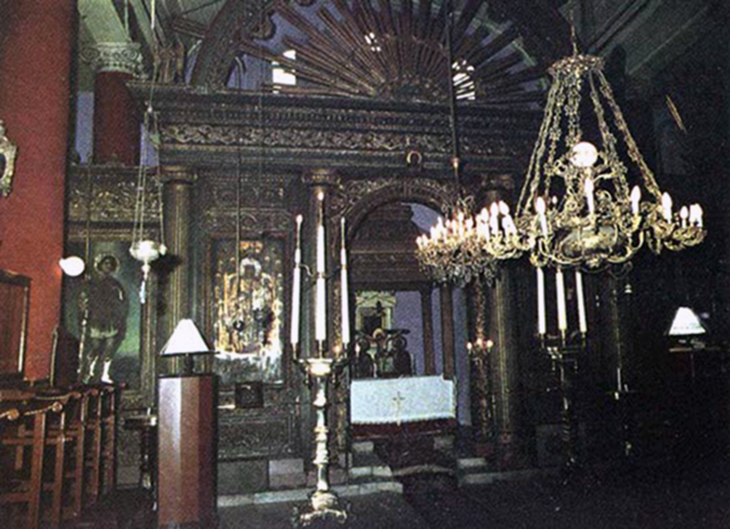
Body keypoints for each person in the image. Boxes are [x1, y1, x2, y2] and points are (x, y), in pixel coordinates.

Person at [78, 254, 128, 383]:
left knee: (109, 348)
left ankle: (104, 374)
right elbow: (84, 301)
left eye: (110, 264)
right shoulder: (92, 283)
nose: (108, 266)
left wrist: (119, 315)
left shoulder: (115, 285)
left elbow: (122, 302)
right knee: (95, 347)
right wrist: (84, 308)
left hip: (111, 320)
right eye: (106, 263)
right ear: (100, 265)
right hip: (96, 319)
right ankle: (89, 372)